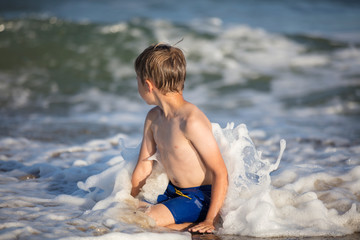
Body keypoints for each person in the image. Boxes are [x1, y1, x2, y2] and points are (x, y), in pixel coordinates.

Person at [130, 43, 228, 233]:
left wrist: (211, 220)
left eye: (137, 80)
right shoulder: (153, 118)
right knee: (126, 215)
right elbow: (144, 165)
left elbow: (220, 173)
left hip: (200, 197)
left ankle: (200, 229)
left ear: (148, 85)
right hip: (172, 192)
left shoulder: (191, 121)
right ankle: (183, 228)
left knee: (146, 221)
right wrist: (130, 199)